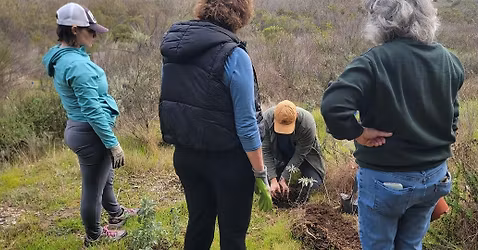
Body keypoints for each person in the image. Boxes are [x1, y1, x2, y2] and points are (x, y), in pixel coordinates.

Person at [321, 0, 464, 249]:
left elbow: (333, 106)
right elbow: (453, 115)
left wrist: (359, 133)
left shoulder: (373, 62)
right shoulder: (449, 60)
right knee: (411, 245)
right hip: (435, 178)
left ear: (382, 20)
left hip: (386, 180)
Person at [159, 0, 272, 249]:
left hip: (186, 156)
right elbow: (246, 123)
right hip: (228, 163)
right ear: (241, 14)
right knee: (232, 235)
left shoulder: (174, 48)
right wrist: (260, 174)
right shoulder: (234, 54)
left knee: (198, 225)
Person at [42, 2, 137, 247]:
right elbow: (92, 110)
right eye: (90, 30)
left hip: (80, 128)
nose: (95, 35)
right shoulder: (76, 65)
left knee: (105, 178)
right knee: (93, 189)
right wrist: (113, 143)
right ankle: (94, 237)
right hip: (90, 132)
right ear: (74, 30)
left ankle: (115, 213)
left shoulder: (64, 56)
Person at [262, 100, 325, 199]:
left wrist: (284, 178)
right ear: (274, 116)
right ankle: (280, 169)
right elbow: (265, 150)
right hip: (278, 150)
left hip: (305, 155)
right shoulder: (266, 119)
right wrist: (273, 179)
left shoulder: (307, 123)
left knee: (314, 185)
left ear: (296, 115)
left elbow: (300, 154)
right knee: (264, 182)